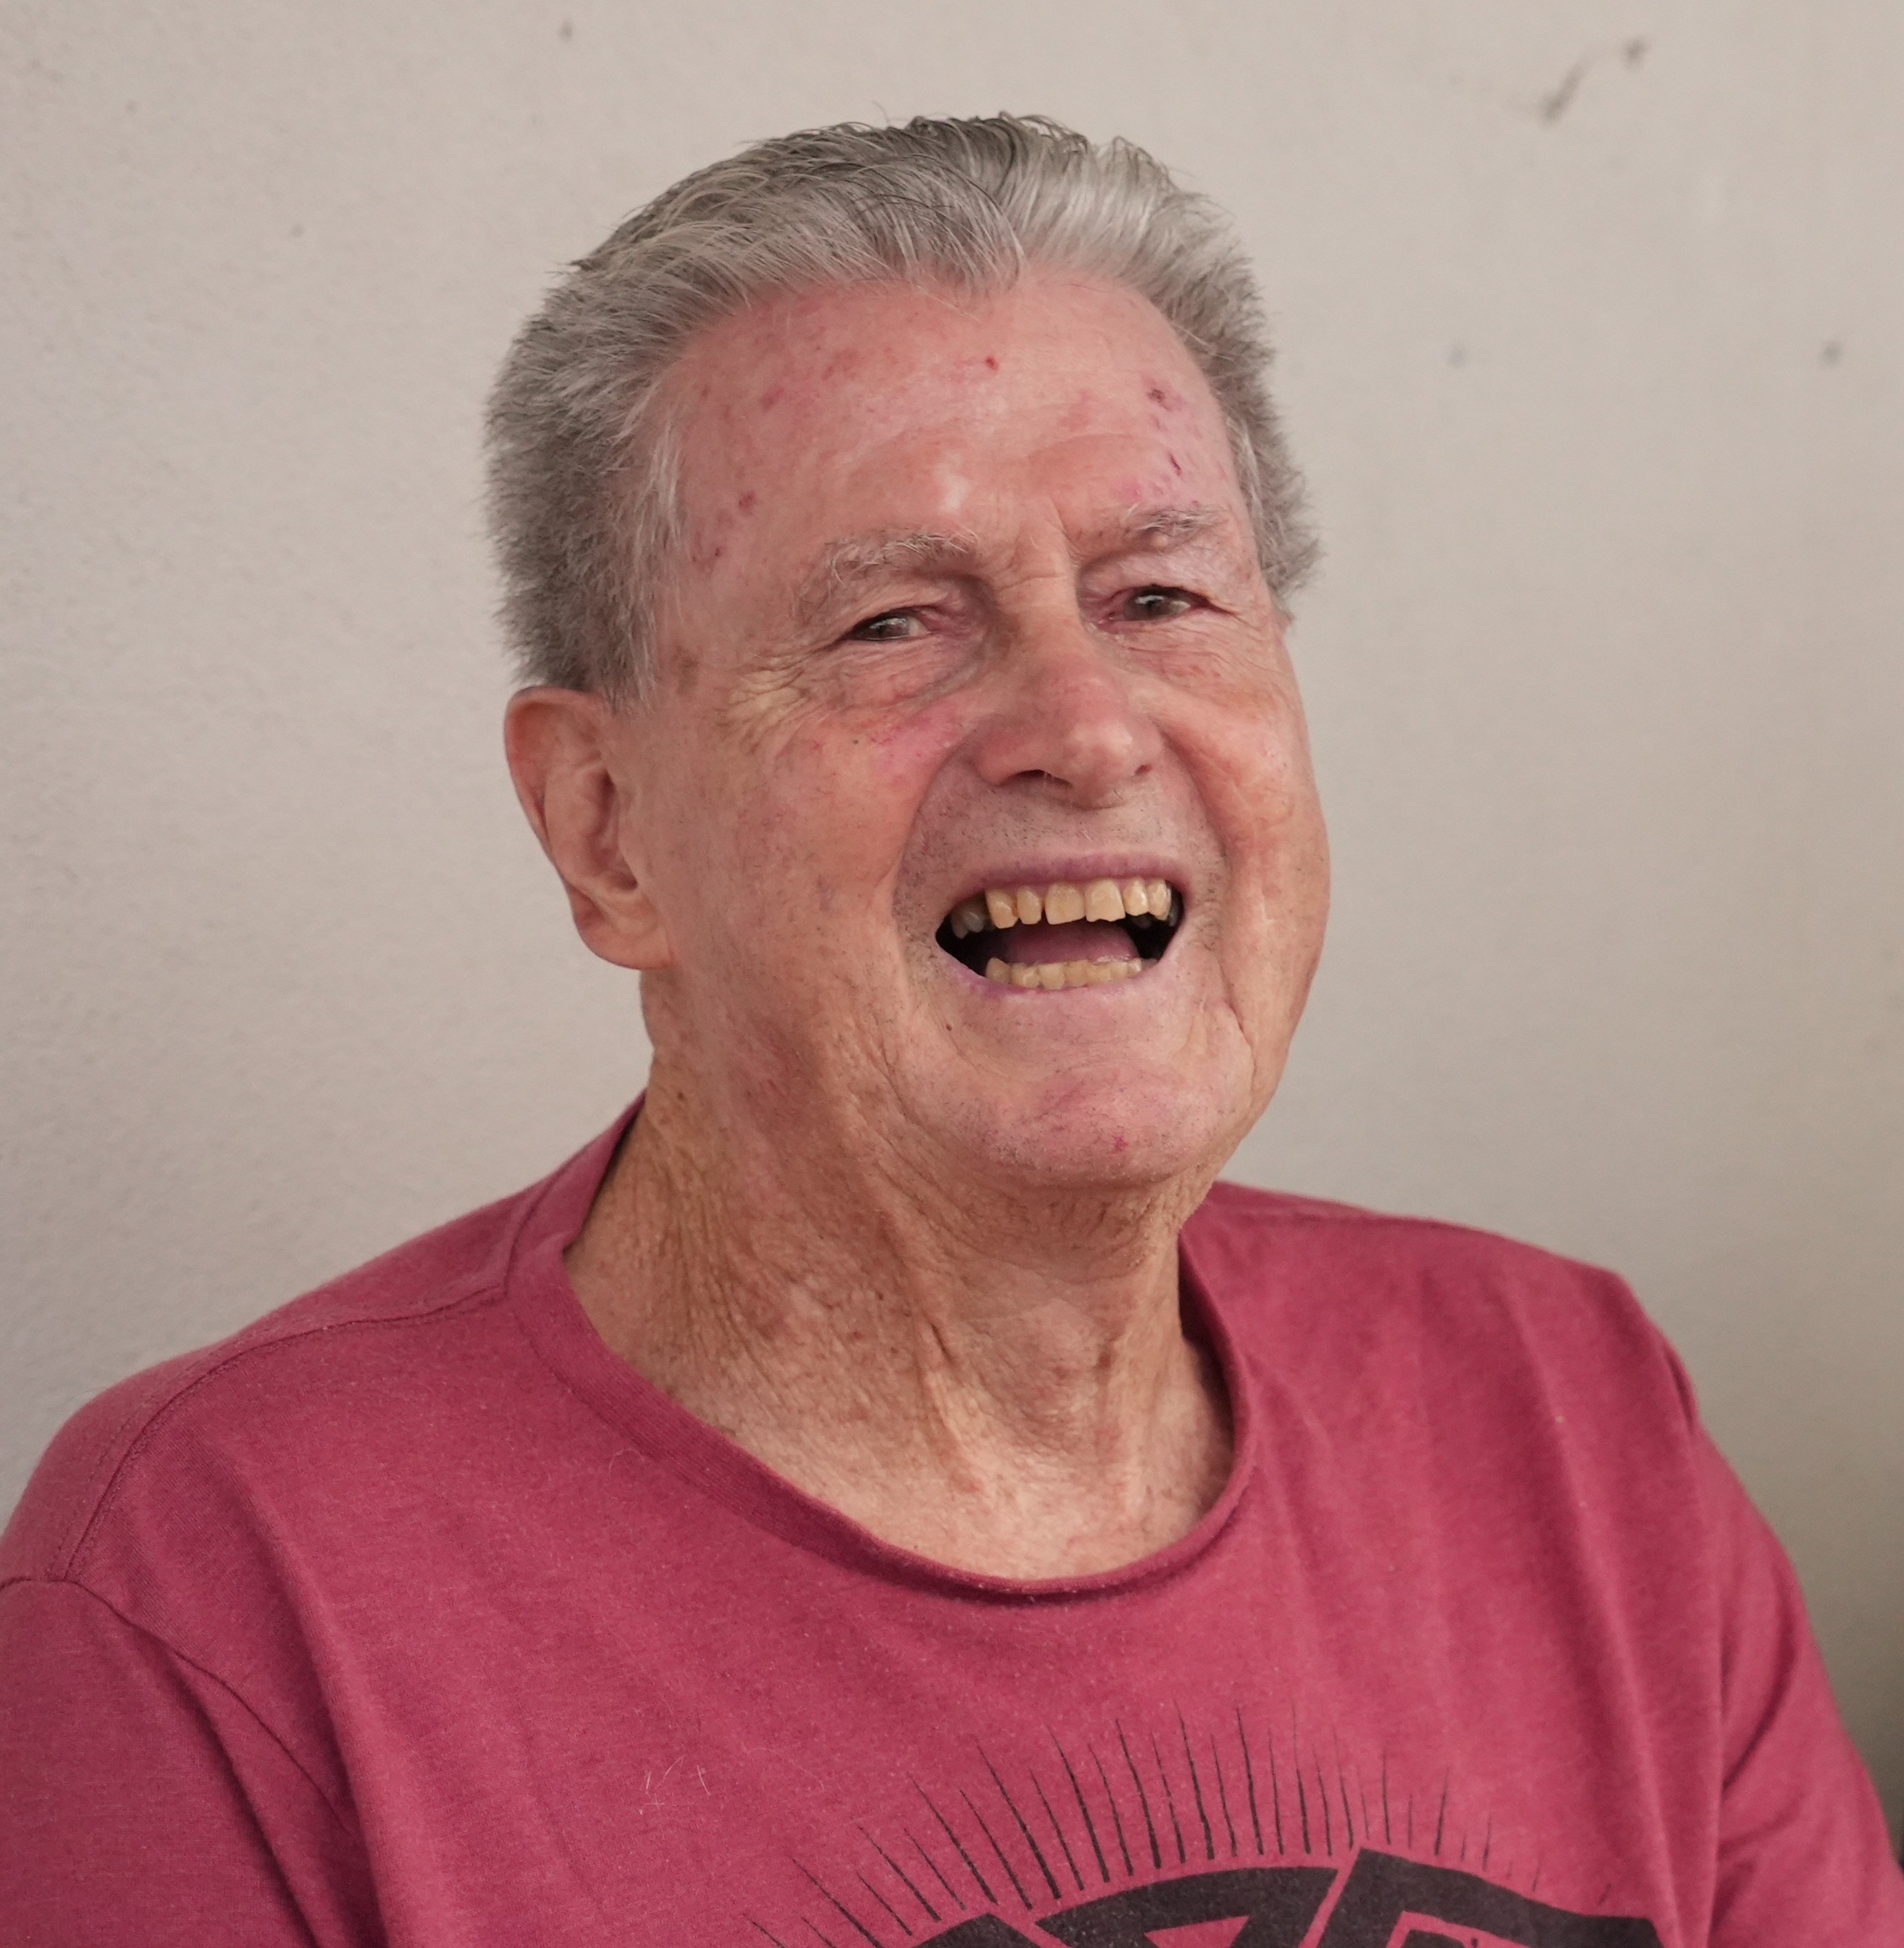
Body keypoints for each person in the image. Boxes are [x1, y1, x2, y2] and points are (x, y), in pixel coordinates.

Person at [0, 114, 1896, 1947]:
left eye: (1162, 596)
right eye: (894, 624)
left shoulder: (1568, 1413)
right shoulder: (221, 1595)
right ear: (606, 828)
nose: (1083, 725)